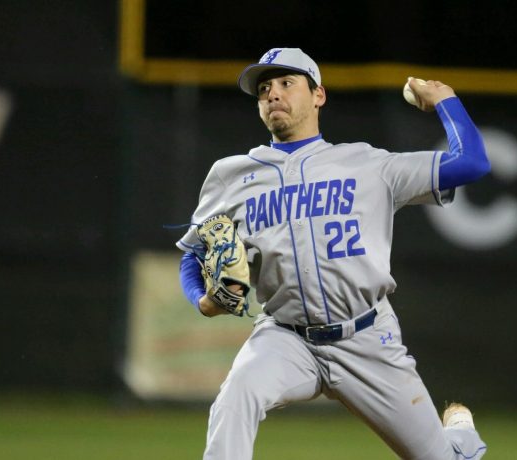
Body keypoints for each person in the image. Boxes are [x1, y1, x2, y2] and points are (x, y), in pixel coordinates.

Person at [176, 47, 490, 460]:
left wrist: (445, 100)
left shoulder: (368, 165)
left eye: (287, 83)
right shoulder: (230, 175)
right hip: (285, 338)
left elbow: (472, 163)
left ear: (318, 95)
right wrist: (201, 300)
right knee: (235, 399)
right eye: (264, 89)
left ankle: (459, 439)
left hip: (366, 338)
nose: (273, 94)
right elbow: (192, 255)